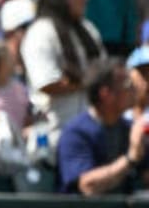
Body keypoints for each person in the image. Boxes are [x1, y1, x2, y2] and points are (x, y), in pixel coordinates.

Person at [21, 0, 105, 163]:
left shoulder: (88, 30)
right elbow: (47, 83)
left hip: (92, 133)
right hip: (54, 135)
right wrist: (88, 82)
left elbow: (104, 70)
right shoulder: (41, 32)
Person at [57, 58, 147, 195]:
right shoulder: (76, 133)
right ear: (106, 94)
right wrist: (130, 159)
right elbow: (88, 186)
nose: (135, 89)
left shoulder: (129, 129)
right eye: (128, 85)